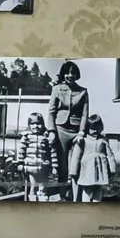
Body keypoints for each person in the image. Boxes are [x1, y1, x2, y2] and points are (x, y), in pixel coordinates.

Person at [47, 60, 90, 200]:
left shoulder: (83, 91)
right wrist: (52, 130)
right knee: (62, 164)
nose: (70, 75)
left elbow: (85, 114)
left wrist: (82, 132)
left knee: (76, 163)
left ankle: (75, 195)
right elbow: (51, 112)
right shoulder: (57, 89)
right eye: (67, 73)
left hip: (77, 131)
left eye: (73, 73)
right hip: (61, 129)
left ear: (77, 74)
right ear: (63, 74)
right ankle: (62, 194)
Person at [73, 115, 116, 201]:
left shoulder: (103, 140)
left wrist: (112, 168)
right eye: (92, 128)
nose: (95, 130)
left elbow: (110, 155)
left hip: (100, 170)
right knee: (87, 191)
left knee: (98, 190)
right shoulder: (83, 140)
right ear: (87, 128)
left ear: (101, 127)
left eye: (98, 127)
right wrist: (73, 170)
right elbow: (76, 156)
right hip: (87, 169)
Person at [18, 111, 54, 202]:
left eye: (38, 124)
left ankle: (42, 204)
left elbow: (51, 151)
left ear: (42, 124)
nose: (35, 126)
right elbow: (21, 150)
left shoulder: (45, 137)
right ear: (29, 125)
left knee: (42, 188)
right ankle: (32, 201)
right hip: (31, 166)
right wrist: (20, 162)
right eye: (32, 124)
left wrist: (54, 165)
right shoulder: (26, 136)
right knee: (33, 187)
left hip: (43, 166)